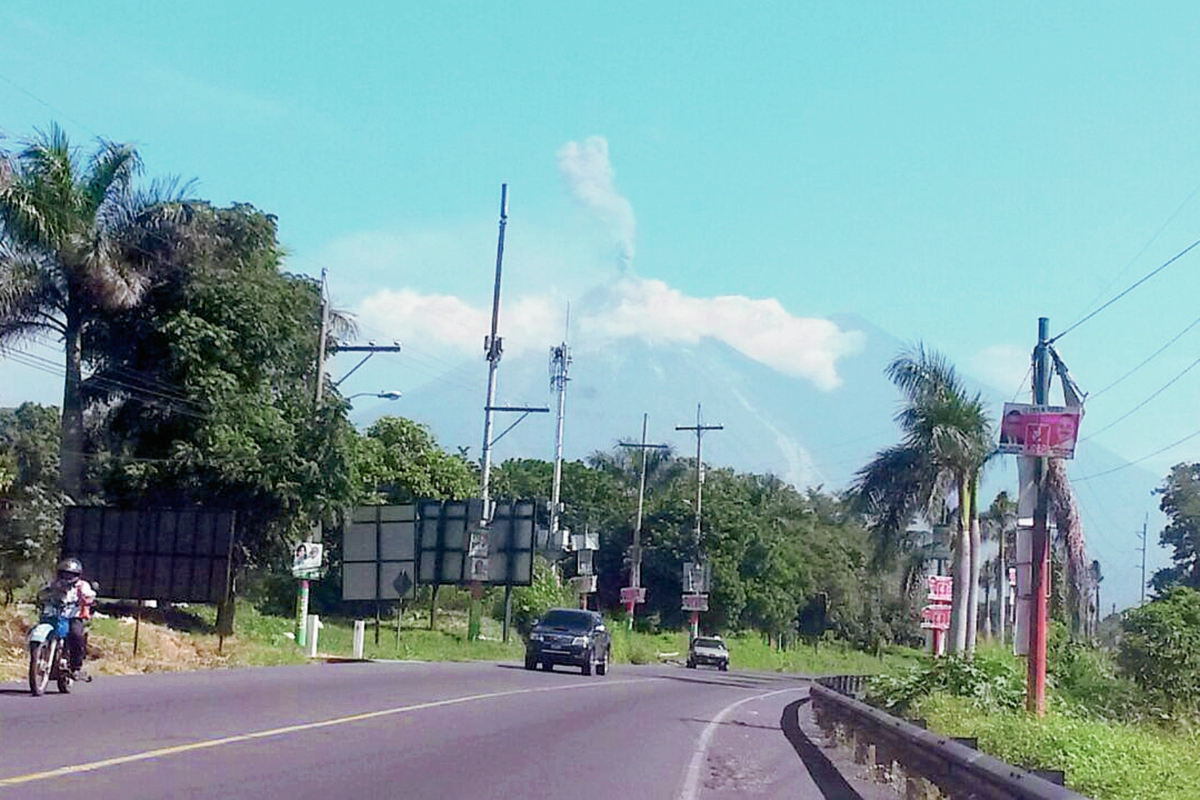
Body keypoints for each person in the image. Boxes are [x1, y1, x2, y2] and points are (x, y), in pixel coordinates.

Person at [38, 558, 97, 679]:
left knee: (76, 635)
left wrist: (87, 600)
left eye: (70, 574)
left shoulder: (82, 585)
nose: (67, 576)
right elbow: (42, 592)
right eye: (64, 573)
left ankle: (76, 667)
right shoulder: (54, 583)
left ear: (77, 575)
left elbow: (90, 595)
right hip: (55, 615)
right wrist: (42, 597)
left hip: (73, 616)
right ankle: (42, 655)